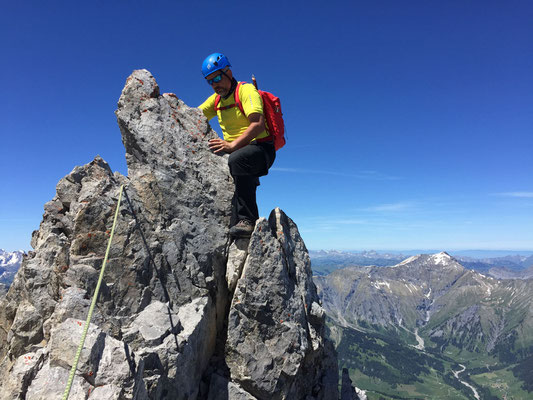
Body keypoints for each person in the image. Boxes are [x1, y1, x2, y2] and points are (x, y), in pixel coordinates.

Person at [198, 53, 275, 237]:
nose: (215, 84)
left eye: (217, 77)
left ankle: (247, 221)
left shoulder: (246, 91)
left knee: (238, 159)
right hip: (240, 151)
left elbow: (257, 125)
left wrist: (232, 146)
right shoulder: (216, 100)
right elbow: (194, 115)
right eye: (210, 81)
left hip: (261, 149)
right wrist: (170, 105)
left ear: (228, 72)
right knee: (237, 159)